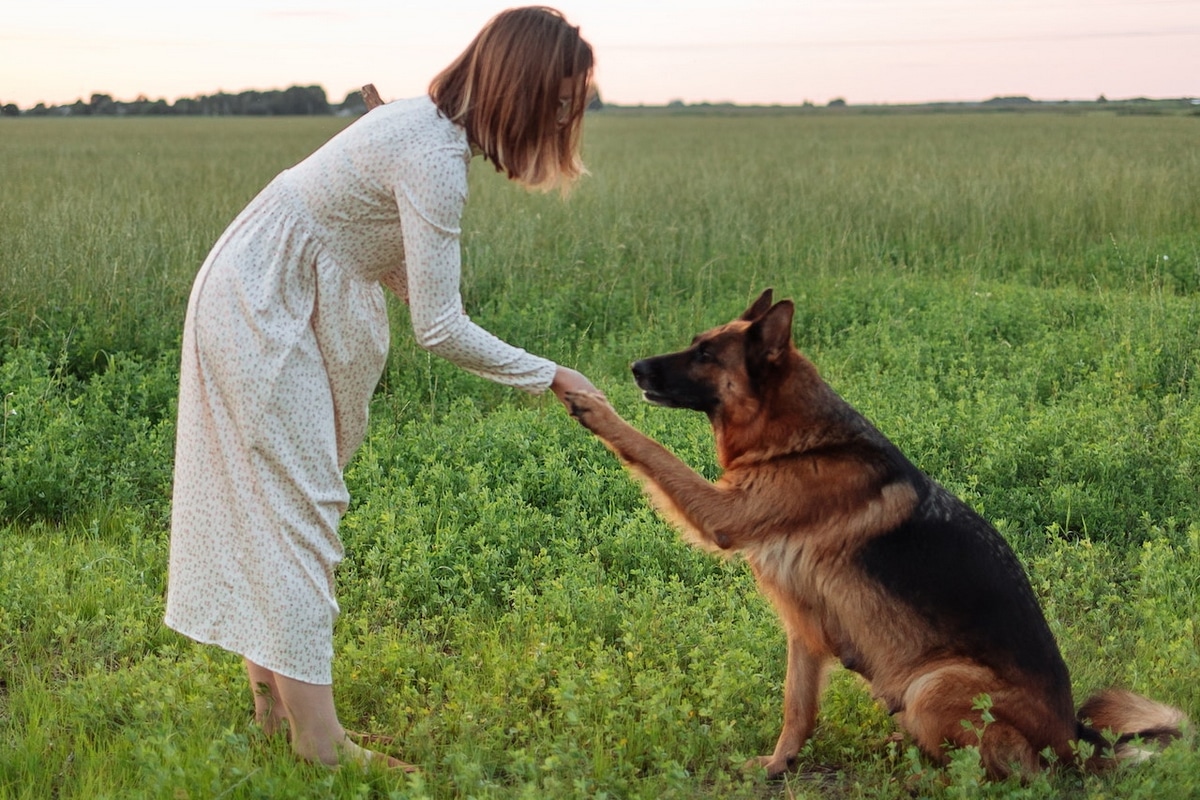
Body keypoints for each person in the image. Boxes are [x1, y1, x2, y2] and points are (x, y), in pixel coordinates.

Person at [164, 6, 597, 770]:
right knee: (301, 511)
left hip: (266, 289)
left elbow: (375, 251)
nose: (565, 118)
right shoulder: (431, 156)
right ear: (521, 88)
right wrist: (551, 375)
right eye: (560, 101)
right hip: (261, 301)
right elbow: (440, 328)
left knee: (281, 506)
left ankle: (275, 716)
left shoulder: (423, 129)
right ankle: (320, 745)